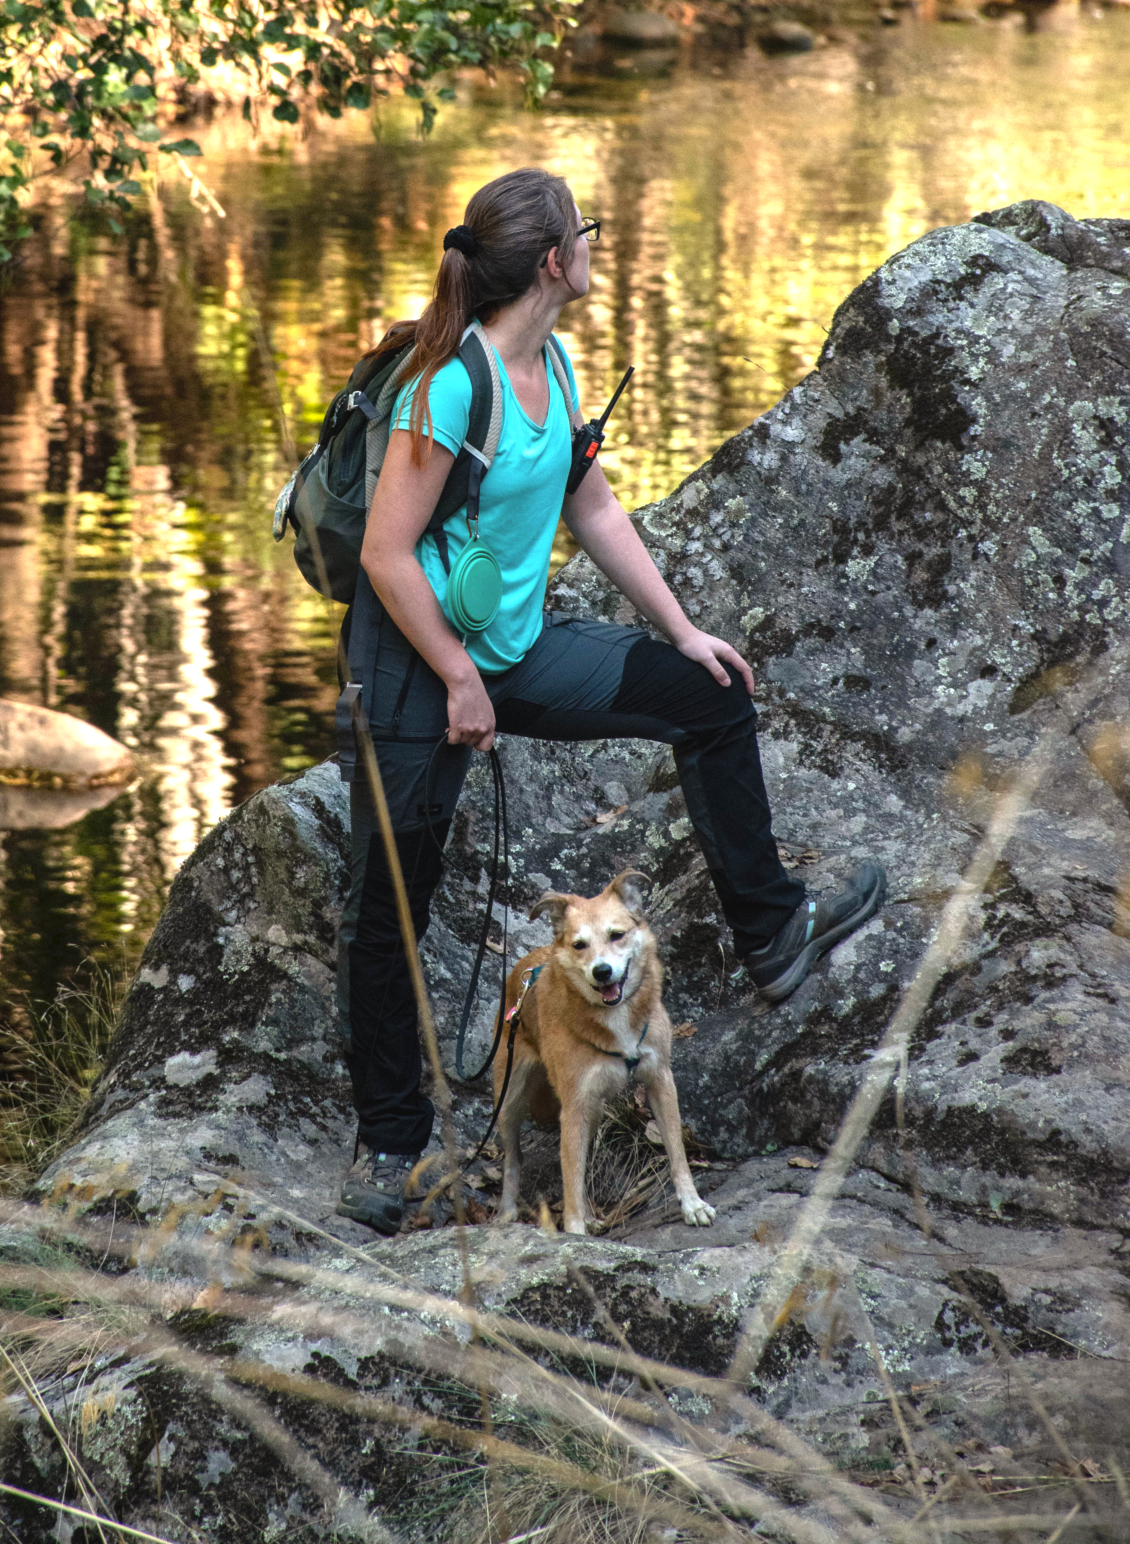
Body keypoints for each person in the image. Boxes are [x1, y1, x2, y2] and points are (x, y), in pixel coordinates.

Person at [335, 167, 885, 1236]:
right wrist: (455, 676)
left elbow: (588, 501)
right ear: (553, 261)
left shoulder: (554, 358)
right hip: (414, 667)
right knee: (386, 906)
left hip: (519, 649)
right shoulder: (445, 385)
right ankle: (390, 1144)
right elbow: (385, 554)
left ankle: (775, 932)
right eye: (583, 233)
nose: (591, 247)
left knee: (710, 698)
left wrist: (682, 631)